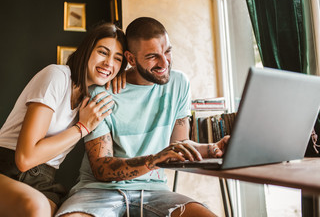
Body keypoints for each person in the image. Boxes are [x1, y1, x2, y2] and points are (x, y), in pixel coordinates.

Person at [56, 17, 229, 217]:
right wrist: (154, 160)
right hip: (97, 191)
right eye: (152, 56)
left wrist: (214, 148)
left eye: (167, 51)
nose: (164, 63)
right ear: (130, 59)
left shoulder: (180, 83)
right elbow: (101, 169)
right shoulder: (101, 92)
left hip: (156, 192)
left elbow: (179, 145)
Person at [0, 22, 128, 217]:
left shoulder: (91, 98)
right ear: (87, 50)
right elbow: (25, 159)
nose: (109, 63)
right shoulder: (56, 76)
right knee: (36, 208)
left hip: (42, 182)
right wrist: (82, 127)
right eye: (103, 52)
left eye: (117, 59)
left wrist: (126, 75)